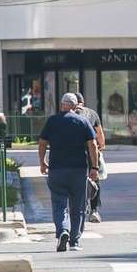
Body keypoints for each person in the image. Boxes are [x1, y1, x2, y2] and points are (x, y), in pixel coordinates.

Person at [38, 93, 99, 252]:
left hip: (57, 169)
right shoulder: (83, 121)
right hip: (78, 169)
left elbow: (42, 142)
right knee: (78, 206)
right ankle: (74, 241)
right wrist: (94, 167)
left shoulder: (52, 121)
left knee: (59, 204)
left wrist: (42, 162)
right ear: (75, 106)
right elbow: (93, 144)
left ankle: (62, 231)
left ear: (61, 105)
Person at [74, 92, 106, 223]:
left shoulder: (69, 114)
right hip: (91, 150)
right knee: (94, 177)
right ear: (83, 102)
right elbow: (100, 134)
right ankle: (94, 210)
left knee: (75, 177)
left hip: (74, 151)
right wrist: (101, 147)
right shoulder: (92, 113)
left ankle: (75, 207)